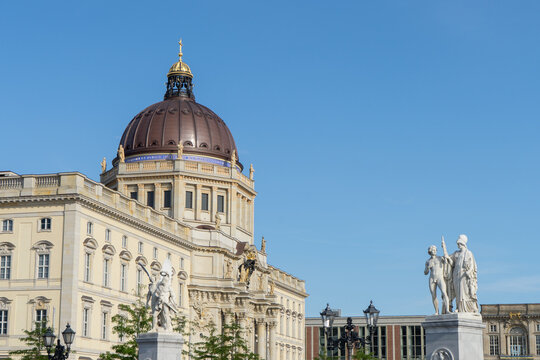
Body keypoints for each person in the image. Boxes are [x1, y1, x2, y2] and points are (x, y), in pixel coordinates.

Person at [444, 234, 479, 313]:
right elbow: (451, 262)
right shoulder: (456, 253)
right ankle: (458, 307)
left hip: (465, 275)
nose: (458, 245)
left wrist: (469, 272)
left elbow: (473, 266)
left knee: (465, 292)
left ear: (463, 244)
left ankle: (467, 308)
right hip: (456, 274)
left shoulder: (468, 253)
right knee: (458, 292)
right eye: (458, 244)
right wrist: (447, 257)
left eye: (459, 244)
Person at [424, 245, 449, 314]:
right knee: (433, 295)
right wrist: (428, 267)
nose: (434, 251)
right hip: (432, 278)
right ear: (430, 251)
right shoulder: (428, 261)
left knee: (444, 292)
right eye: (433, 250)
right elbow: (425, 272)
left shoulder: (440, 258)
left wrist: (446, 255)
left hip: (440, 277)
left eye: (435, 250)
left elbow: (448, 262)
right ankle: (437, 311)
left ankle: (447, 310)